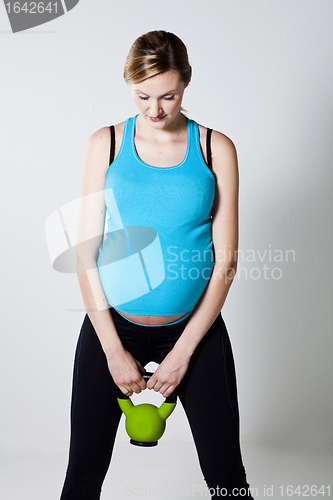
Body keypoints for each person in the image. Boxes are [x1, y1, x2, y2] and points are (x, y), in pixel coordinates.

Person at [60, 30, 254, 500]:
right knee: (83, 475)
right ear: (130, 85)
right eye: (143, 95)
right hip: (112, 327)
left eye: (168, 95)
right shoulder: (105, 144)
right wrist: (111, 349)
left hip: (194, 331)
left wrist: (183, 353)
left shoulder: (215, 148)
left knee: (228, 477)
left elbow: (225, 262)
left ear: (185, 84)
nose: (155, 109)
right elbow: (85, 253)